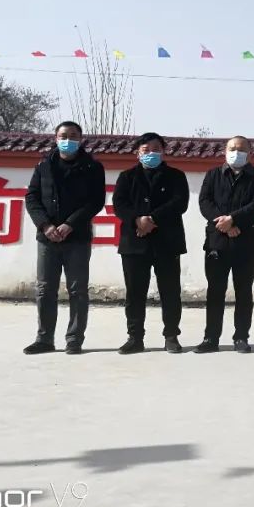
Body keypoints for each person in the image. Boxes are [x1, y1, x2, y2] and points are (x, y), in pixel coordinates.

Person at [23, 121, 106, 355]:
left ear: (80, 139)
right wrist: (45, 225)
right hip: (47, 238)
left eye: (73, 135)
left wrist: (70, 224)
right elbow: (32, 197)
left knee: (77, 290)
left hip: (77, 237)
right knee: (45, 289)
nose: (68, 140)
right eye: (63, 136)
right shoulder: (44, 165)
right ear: (55, 138)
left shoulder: (92, 167)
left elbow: (95, 201)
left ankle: (74, 339)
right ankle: (44, 339)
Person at [112, 132, 190, 354]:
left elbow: (180, 203)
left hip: (167, 242)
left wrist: (152, 219)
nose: (151, 154)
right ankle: (135, 337)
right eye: (146, 150)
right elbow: (119, 204)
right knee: (135, 293)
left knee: (170, 292)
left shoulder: (176, 176)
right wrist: (137, 220)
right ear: (138, 153)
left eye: (156, 149)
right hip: (134, 243)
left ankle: (171, 336)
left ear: (163, 152)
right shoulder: (126, 177)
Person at [195, 136, 254, 354]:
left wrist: (234, 220)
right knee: (215, 292)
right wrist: (224, 224)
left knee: (243, 292)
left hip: (245, 244)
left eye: (241, 149)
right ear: (225, 151)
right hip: (217, 243)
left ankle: (241, 337)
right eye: (232, 148)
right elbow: (204, 203)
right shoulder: (213, 175)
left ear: (250, 153)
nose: (236, 152)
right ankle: (211, 338)